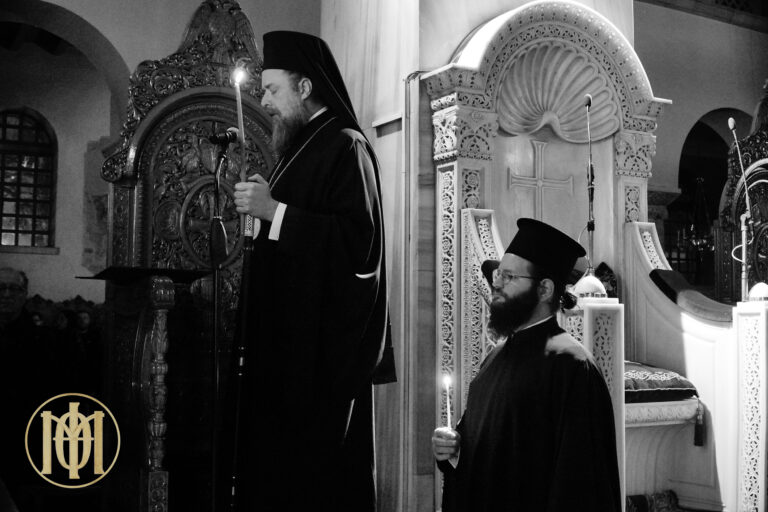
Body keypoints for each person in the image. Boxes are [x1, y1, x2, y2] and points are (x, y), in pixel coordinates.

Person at [231, 31, 394, 511]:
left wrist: (274, 212)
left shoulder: (346, 145)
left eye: (272, 90)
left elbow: (359, 250)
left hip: (320, 364)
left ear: (304, 87)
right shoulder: (300, 149)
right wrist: (264, 219)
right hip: (286, 356)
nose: (264, 103)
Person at [432, 218, 621, 512]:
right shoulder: (494, 360)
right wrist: (452, 450)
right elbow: (483, 455)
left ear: (544, 289)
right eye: (498, 275)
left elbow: (580, 484)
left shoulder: (572, 367)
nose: (496, 284)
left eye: (508, 277)